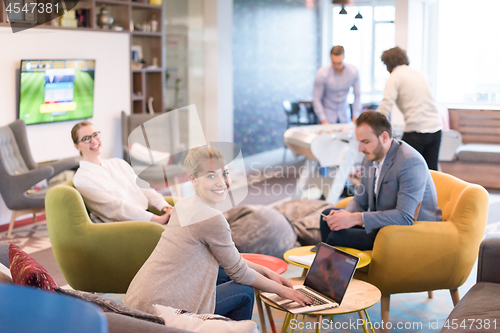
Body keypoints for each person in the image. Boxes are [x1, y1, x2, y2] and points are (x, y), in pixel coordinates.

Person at [123, 146, 311, 320]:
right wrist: (283, 291)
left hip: (139, 301)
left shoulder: (183, 204)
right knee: (244, 291)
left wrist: (268, 272)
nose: (222, 182)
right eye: (211, 176)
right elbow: (240, 274)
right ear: (194, 179)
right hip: (162, 312)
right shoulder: (211, 218)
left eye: (225, 174)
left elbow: (232, 262)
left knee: (222, 273)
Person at [319, 112, 442, 251]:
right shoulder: (370, 158)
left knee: (338, 237)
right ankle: (329, 269)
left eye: (365, 142)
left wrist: (355, 219)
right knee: (328, 217)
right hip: (385, 224)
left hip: (410, 231)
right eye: (359, 142)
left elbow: (404, 217)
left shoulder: (410, 162)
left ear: (384, 137)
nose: (360, 148)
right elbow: (360, 201)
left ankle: (325, 269)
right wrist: (345, 217)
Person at [71, 122, 172, 224]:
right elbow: (115, 207)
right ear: (76, 146)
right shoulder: (82, 179)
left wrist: (165, 207)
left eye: (95, 134)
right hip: (126, 226)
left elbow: (144, 188)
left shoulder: (118, 163)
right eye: (85, 138)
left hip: (148, 217)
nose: (93, 140)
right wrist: (156, 219)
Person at [376, 46, 443, 170]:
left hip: (416, 130)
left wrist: (371, 123)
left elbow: (386, 104)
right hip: (436, 127)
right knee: (432, 172)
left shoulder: (395, 76)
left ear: (387, 64)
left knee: (404, 169)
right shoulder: (421, 74)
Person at [313, 45, 361, 124]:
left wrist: (355, 116)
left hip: (345, 114)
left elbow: (357, 95)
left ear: (344, 57)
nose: (336, 66)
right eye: (334, 63)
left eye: (339, 63)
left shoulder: (353, 72)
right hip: (327, 115)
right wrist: (323, 119)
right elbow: (316, 99)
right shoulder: (322, 74)